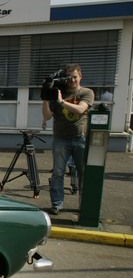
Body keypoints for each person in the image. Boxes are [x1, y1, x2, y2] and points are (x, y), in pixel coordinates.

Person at [41, 63, 94, 215]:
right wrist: (45, 98)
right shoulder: (59, 93)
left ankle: (84, 204)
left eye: (74, 77)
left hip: (80, 138)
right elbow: (47, 116)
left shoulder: (86, 92)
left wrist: (61, 102)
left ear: (80, 77)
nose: (71, 80)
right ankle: (57, 204)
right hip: (60, 139)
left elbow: (81, 109)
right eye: (68, 77)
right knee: (58, 172)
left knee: (83, 172)